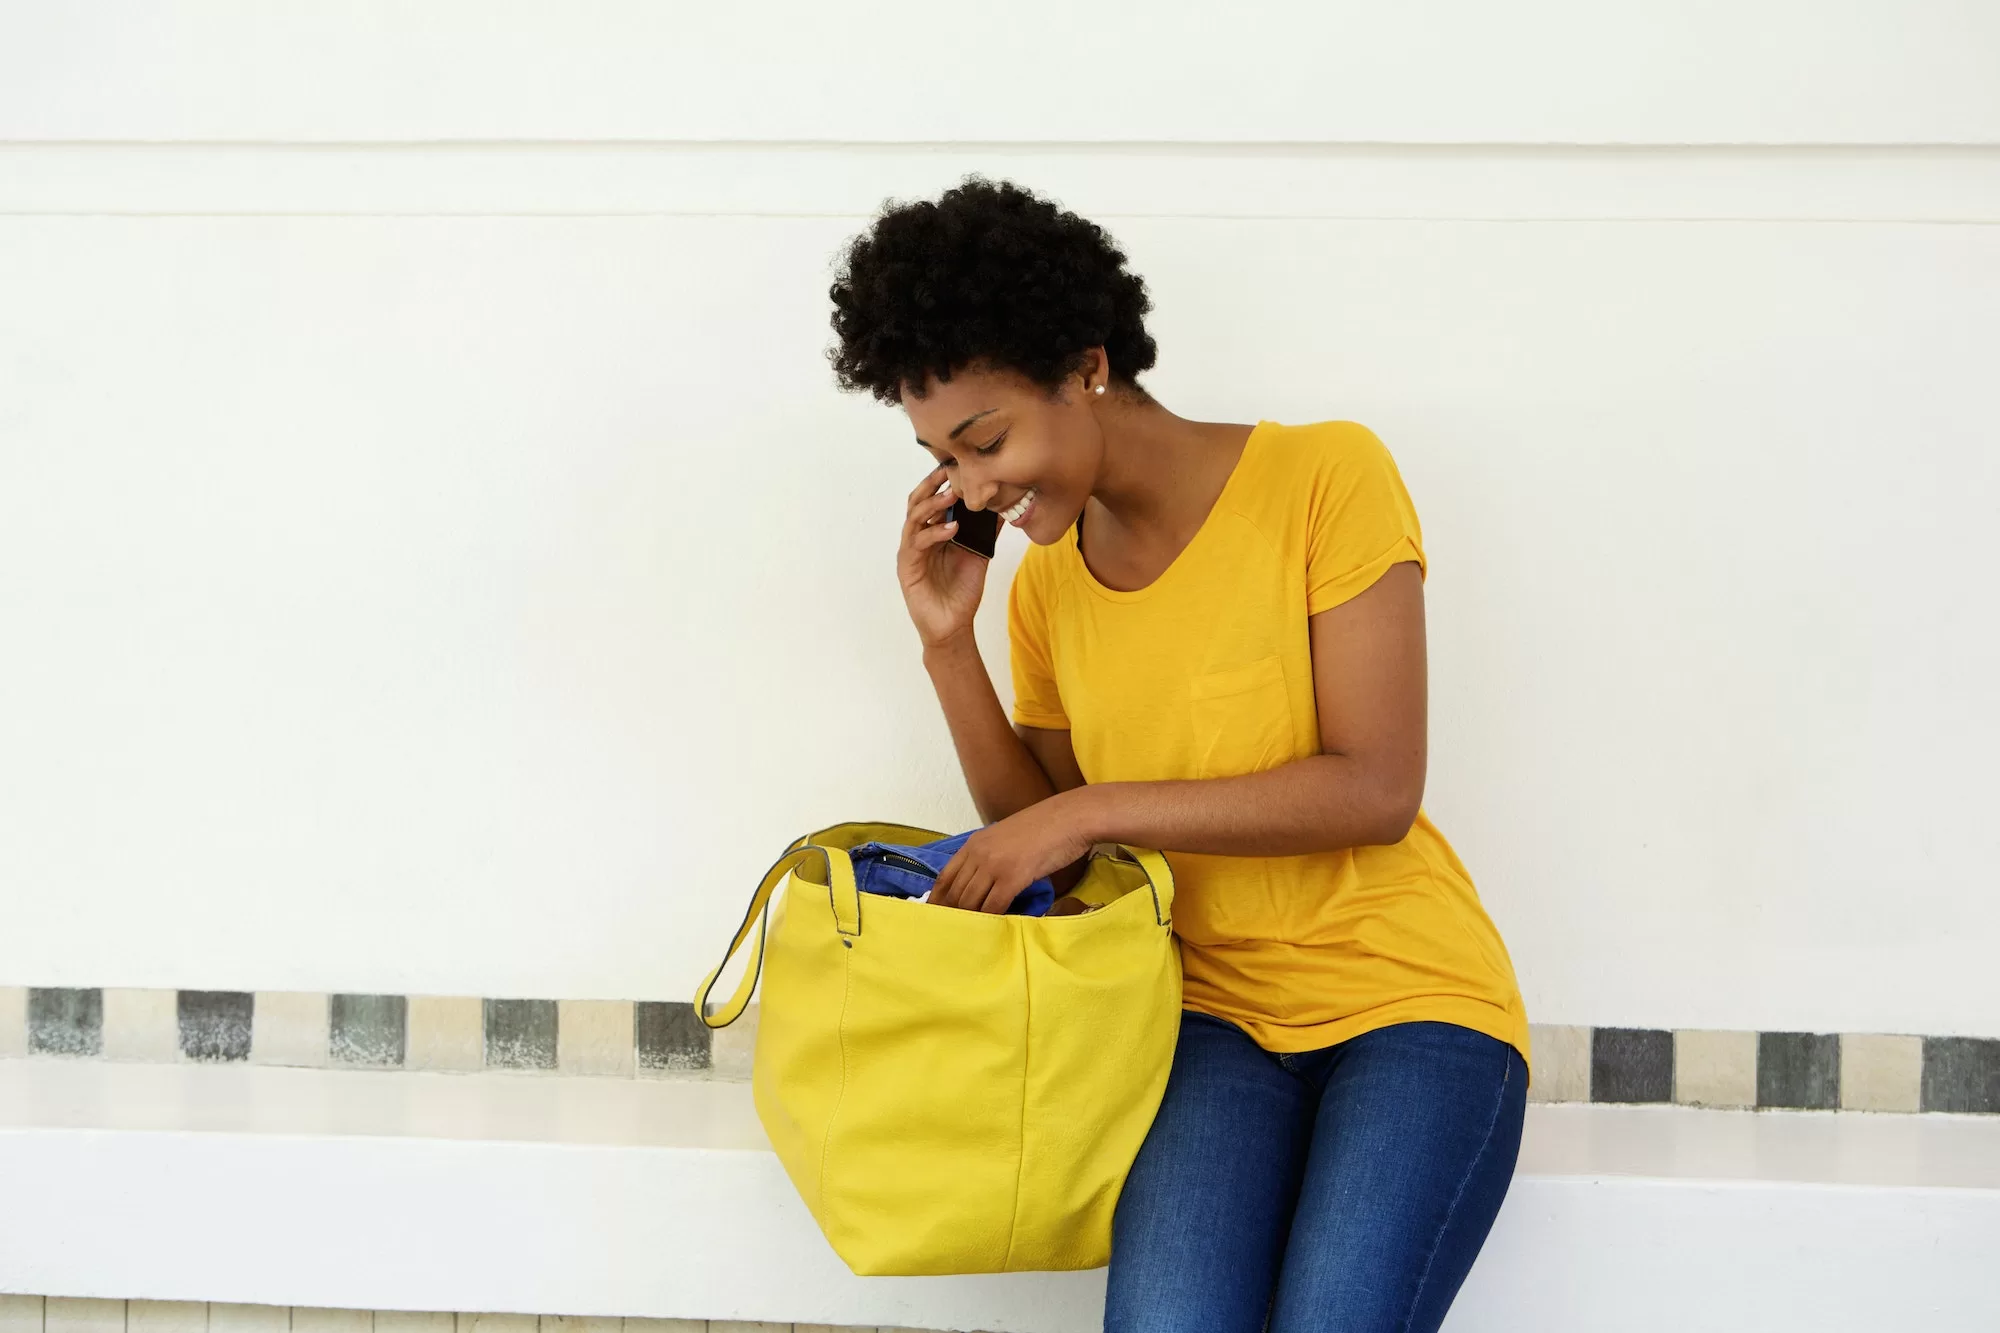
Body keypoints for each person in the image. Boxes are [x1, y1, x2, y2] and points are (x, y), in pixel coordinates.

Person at [826, 175, 1531, 1333]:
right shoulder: (1046, 582)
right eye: (942, 459)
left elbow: (1374, 786)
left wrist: (1084, 811)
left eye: (985, 437)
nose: (972, 486)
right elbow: (1052, 841)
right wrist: (950, 649)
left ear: (1086, 366)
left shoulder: (1326, 478)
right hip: (1205, 1020)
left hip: (1409, 1006)